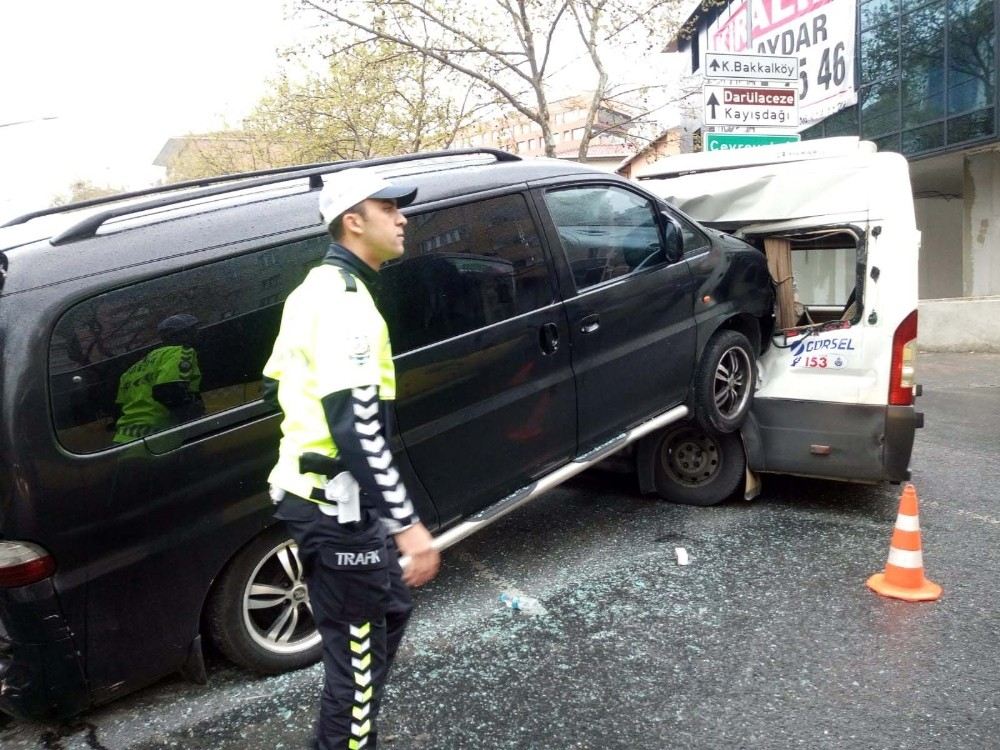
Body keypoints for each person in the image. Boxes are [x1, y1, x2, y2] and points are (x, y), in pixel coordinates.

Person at [262, 168, 440, 750]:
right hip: (334, 511)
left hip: (333, 506)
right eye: (389, 208)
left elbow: (277, 387)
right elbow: (358, 429)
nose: (402, 217)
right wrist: (409, 528)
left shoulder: (315, 290)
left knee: (388, 615)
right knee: (358, 673)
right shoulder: (343, 304)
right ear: (353, 221)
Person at [113, 313, 203, 443]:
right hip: (158, 437)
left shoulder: (133, 369)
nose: (198, 334)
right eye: (194, 331)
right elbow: (170, 391)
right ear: (183, 335)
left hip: (124, 439)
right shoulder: (181, 351)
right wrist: (194, 426)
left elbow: (119, 409)